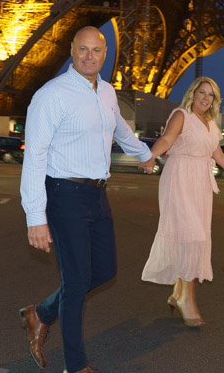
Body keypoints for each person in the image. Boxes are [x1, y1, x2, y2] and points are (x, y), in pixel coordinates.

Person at [18, 26, 154, 373]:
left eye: (96, 50)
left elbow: (119, 128)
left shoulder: (106, 92)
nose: (89, 56)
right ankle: (75, 365)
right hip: (64, 194)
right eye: (83, 49)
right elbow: (34, 155)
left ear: (105, 54)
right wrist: (36, 216)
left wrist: (143, 153)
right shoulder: (52, 95)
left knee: (105, 270)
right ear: (72, 50)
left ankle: (42, 312)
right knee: (77, 282)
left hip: (97, 194)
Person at [141, 76, 224, 327]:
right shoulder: (181, 115)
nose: (206, 98)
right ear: (193, 93)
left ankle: (178, 293)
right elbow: (166, 140)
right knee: (192, 237)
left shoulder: (209, 123)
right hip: (180, 178)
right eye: (202, 92)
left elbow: (217, 155)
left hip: (201, 183)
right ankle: (187, 300)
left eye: (211, 95)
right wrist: (150, 156)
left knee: (193, 236)